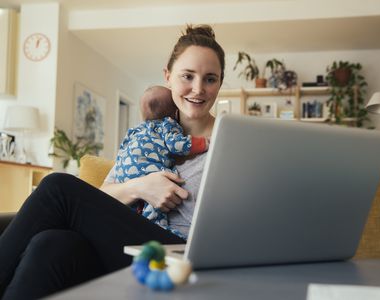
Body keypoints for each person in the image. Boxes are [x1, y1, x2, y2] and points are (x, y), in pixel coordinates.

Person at [0, 23, 224, 299]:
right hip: (127, 248)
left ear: (220, 82)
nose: (198, 89)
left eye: (210, 79)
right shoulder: (145, 136)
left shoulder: (231, 141)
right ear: (167, 77)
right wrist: (140, 187)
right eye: (187, 76)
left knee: (58, 187)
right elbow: (102, 196)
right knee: (51, 244)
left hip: (180, 255)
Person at [115, 85, 209, 238]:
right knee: (153, 212)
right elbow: (178, 145)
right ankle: (162, 227)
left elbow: (122, 153)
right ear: (175, 113)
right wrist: (205, 143)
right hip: (147, 180)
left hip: (124, 173)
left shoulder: (135, 131)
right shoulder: (167, 125)